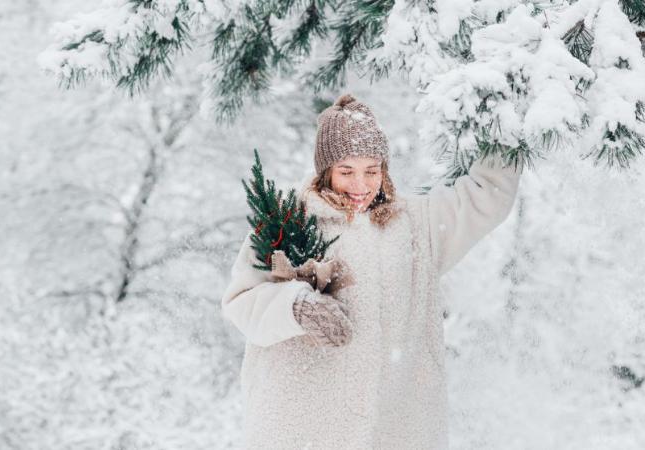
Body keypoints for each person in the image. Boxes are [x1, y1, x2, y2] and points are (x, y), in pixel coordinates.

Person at [220, 93, 522, 449]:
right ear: (325, 171)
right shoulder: (288, 220)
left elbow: (485, 194)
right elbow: (241, 301)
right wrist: (296, 307)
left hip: (394, 426)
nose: (360, 186)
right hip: (302, 426)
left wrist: (505, 108)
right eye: (346, 172)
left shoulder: (416, 225)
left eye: (372, 171)